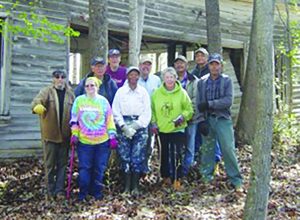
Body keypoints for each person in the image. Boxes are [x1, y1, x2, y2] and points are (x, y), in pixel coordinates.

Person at [196, 53, 243, 191]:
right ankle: (206, 177)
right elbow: (199, 104)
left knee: (228, 149)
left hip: (223, 119)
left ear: (221, 65)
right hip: (208, 119)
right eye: (212, 64)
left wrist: (210, 104)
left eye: (217, 64)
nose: (214, 67)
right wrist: (201, 121)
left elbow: (228, 101)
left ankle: (236, 180)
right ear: (208, 65)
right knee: (207, 149)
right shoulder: (202, 82)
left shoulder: (227, 81)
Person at [70, 77, 117, 201]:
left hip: (102, 142)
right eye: (87, 86)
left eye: (93, 85)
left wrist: (112, 136)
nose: (90, 88)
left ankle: (96, 193)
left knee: (99, 168)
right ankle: (83, 193)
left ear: (97, 87)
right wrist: (74, 134)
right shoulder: (79, 101)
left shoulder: (103, 101)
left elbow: (109, 120)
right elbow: (74, 120)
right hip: (84, 142)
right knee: (85, 168)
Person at [31, 70, 75, 200]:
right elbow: (36, 101)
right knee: (49, 165)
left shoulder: (70, 94)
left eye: (63, 77)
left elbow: (76, 112)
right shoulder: (47, 92)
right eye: (57, 77)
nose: (60, 80)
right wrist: (37, 106)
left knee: (62, 165)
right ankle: (49, 191)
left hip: (65, 136)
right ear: (53, 79)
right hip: (50, 135)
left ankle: (59, 191)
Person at [151, 67, 193, 190]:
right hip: (162, 129)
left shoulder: (182, 93)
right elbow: (152, 110)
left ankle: (177, 179)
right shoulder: (156, 93)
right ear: (163, 79)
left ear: (175, 78)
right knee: (164, 154)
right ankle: (166, 177)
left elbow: (189, 109)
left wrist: (182, 117)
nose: (169, 80)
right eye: (167, 77)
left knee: (177, 154)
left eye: (172, 77)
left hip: (178, 129)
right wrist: (153, 123)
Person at [112, 66, 151, 195]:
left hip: (139, 126)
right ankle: (126, 187)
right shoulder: (121, 92)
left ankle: (136, 187)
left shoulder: (143, 92)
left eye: (136, 75)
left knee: (138, 156)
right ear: (127, 76)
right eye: (131, 75)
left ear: (138, 77)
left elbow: (147, 112)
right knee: (125, 156)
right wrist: (123, 126)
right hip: (123, 126)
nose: (133, 77)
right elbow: (115, 111)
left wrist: (136, 125)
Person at [192, 48, 222, 170]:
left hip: (212, 110)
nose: (199, 58)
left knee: (213, 137)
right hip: (199, 109)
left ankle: (216, 163)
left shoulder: (212, 73)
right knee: (199, 136)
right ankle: (201, 162)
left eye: (202, 56)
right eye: (197, 56)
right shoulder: (193, 73)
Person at [173, 55, 200, 176]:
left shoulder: (193, 80)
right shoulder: (171, 80)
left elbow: (195, 100)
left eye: (182, 63)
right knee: (177, 146)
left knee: (190, 145)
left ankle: (186, 171)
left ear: (187, 65)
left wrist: (188, 116)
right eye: (177, 63)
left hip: (191, 119)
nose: (179, 65)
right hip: (175, 120)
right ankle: (176, 170)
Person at [138, 57, 161, 173]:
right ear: (139, 66)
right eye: (143, 64)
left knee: (150, 144)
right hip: (138, 117)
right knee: (138, 143)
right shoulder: (134, 79)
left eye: (148, 65)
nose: (146, 67)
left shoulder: (156, 80)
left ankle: (146, 167)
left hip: (152, 117)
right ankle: (136, 167)